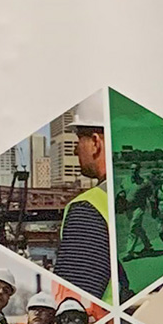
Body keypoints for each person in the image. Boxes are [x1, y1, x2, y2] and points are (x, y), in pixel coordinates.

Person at [56, 99, 114, 301]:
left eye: (79, 139)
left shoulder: (88, 207)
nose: (75, 150)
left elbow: (76, 299)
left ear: (96, 142)